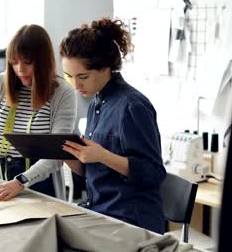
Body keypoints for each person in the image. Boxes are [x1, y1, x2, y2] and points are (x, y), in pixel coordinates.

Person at [60, 17, 166, 234]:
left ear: (106, 68)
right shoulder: (97, 103)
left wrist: (103, 156)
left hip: (132, 223)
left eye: (83, 76)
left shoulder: (132, 107)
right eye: (69, 76)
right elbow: (96, 172)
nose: (76, 85)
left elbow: (154, 174)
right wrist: (70, 156)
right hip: (100, 213)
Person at [0, 24, 77, 201]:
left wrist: (20, 182)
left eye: (27, 62)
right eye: (14, 61)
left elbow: (56, 153)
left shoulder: (63, 92)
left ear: (43, 61)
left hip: (39, 183)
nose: (20, 69)